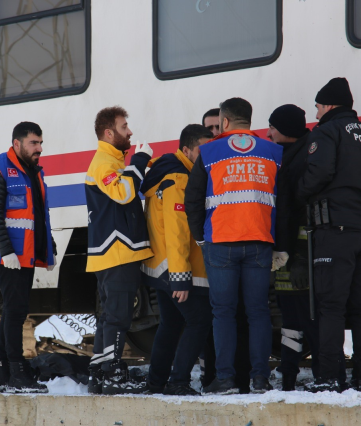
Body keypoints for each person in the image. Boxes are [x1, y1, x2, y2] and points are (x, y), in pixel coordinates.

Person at [297, 78, 361, 392]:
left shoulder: (327, 132)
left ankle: (329, 378)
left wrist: (296, 192)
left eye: (317, 106)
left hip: (336, 232)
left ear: (329, 105)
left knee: (331, 305)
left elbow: (319, 173)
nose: (315, 113)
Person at [185, 98, 282, 394]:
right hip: (260, 242)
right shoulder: (273, 151)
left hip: (221, 242)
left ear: (224, 122)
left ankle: (225, 379)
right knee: (258, 312)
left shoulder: (209, 151)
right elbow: (284, 201)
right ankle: (259, 379)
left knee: (223, 312)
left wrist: (201, 237)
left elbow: (193, 200)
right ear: (249, 121)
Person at [0, 121, 55, 393]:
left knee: (14, 310)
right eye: (34, 143)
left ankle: (0, 373)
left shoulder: (33, 172)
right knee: (15, 312)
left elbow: (38, 217)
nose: (39, 148)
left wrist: (50, 248)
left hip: (26, 257)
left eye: (40, 142)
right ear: (17, 144)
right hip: (7, 257)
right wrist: (6, 251)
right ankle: (16, 373)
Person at [85, 106, 154, 395]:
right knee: (118, 316)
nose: (130, 132)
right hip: (117, 252)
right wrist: (140, 159)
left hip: (112, 253)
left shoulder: (109, 161)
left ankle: (100, 373)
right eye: (125, 127)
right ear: (109, 132)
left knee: (110, 316)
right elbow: (125, 194)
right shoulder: (104, 163)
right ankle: (111, 375)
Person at [141, 124, 214, 396]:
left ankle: (156, 383)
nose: (207, 155)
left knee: (171, 325)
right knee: (199, 321)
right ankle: (178, 382)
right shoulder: (179, 179)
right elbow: (177, 233)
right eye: (202, 150)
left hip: (162, 267)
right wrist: (180, 278)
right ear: (186, 150)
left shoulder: (165, 171)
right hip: (176, 269)